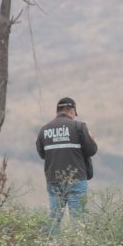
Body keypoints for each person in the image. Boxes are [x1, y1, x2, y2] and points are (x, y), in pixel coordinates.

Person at [36, 97, 97, 236]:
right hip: (76, 179)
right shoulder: (79, 127)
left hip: (54, 180)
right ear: (72, 110)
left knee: (54, 220)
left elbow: (42, 154)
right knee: (78, 221)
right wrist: (92, 140)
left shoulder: (44, 130)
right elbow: (91, 151)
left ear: (57, 111)